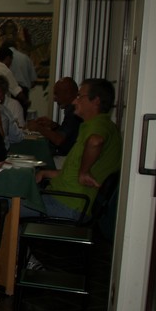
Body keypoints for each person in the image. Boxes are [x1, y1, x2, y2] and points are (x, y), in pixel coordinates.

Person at [35, 78, 122, 220]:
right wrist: (45, 173)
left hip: (68, 204)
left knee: (6, 202)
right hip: (65, 198)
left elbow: (95, 141)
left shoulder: (99, 125)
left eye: (80, 96)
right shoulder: (97, 125)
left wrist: (84, 172)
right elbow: (73, 173)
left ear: (96, 101)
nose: (75, 101)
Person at [28, 76, 82, 156]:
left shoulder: (75, 112)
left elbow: (59, 140)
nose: (54, 99)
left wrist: (38, 128)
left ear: (68, 93)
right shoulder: (71, 111)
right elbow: (68, 136)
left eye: (56, 94)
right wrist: (53, 125)